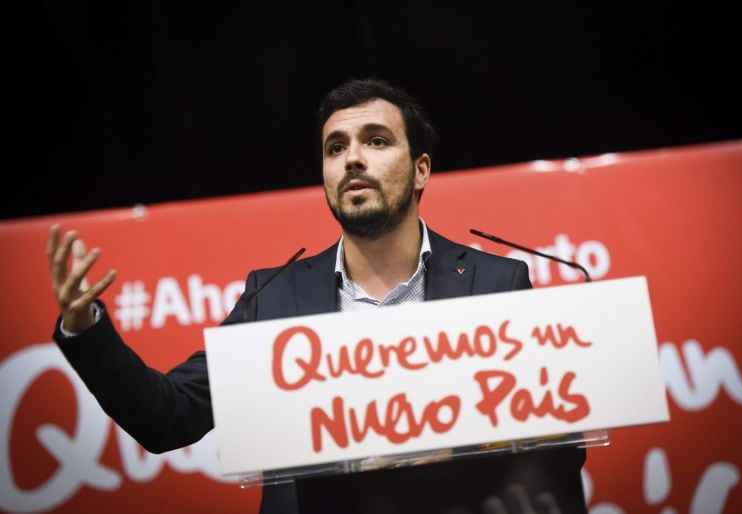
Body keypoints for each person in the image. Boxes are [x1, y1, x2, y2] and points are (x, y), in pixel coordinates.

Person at [49, 78, 587, 513]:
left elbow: (558, 447)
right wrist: (85, 328)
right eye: (336, 148)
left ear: (421, 169)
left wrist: (450, 452)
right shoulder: (275, 296)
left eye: (376, 141)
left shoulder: (497, 283)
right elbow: (168, 417)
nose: (352, 159)